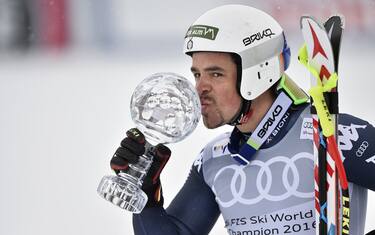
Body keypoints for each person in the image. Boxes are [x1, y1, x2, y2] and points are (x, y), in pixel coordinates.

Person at [110, 5, 375, 235]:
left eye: (215, 75)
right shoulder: (214, 160)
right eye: (197, 74)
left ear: (259, 73)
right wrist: (147, 197)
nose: (199, 88)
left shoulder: (338, 135)